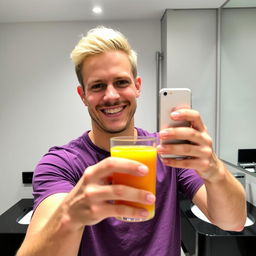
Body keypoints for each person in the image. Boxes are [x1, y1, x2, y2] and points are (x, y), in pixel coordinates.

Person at [17, 26, 246, 256]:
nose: (111, 96)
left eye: (121, 82)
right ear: (83, 95)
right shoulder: (61, 164)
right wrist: (72, 213)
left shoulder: (167, 150)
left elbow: (233, 222)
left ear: (137, 86)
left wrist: (214, 168)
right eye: (97, 86)